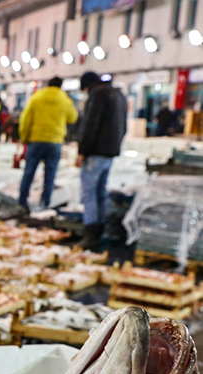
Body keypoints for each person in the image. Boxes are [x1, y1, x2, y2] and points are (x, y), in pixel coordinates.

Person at [77, 71, 127, 250]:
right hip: (110, 152)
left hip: (95, 152)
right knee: (101, 192)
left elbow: (90, 123)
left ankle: (91, 233)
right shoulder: (119, 94)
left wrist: (82, 149)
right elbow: (124, 125)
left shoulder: (97, 94)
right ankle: (100, 230)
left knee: (89, 193)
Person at [17, 76, 79, 211]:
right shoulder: (65, 99)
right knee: (50, 174)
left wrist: (24, 138)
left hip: (36, 140)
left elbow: (25, 120)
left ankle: (22, 201)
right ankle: (45, 203)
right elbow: (73, 117)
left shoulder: (37, 97)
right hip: (54, 142)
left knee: (29, 172)